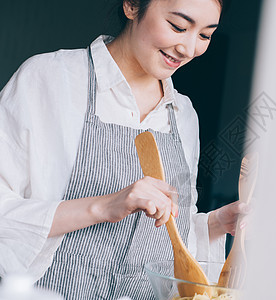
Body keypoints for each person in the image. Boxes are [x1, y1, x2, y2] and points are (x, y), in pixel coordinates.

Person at [0, 0, 248, 298]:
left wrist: (216, 223)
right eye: (179, 27)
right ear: (132, 5)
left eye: (205, 35)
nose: (189, 48)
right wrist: (103, 206)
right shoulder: (49, 79)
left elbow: (165, 243)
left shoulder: (183, 114)